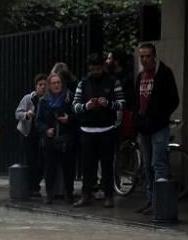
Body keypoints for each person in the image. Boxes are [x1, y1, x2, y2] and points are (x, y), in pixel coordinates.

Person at [133, 43, 180, 214]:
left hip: (158, 126)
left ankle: (160, 201)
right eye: (142, 56)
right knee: (147, 164)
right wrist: (138, 120)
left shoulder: (164, 74)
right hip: (144, 126)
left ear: (154, 56)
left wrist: (159, 117)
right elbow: (137, 100)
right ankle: (151, 198)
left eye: (147, 56)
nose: (144, 59)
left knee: (158, 163)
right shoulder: (141, 76)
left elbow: (173, 99)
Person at [73, 53, 125, 207]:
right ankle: (86, 194)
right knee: (87, 165)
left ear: (103, 66)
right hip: (87, 129)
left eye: (97, 68)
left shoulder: (113, 81)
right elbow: (75, 106)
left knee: (107, 164)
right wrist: (86, 106)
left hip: (106, 128)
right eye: (92, 69)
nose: (95, 72)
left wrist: (108, 104)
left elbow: (122, 103)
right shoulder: (83, 83)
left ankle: (109, 195)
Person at [37, 73, 78, 204]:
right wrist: (45, 130)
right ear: (49, 85)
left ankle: (69, 193)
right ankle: (49, 194)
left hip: (66, 138)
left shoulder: (69, 97)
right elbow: (38, 121)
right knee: (50, 168)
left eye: (58, 82)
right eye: (53, 83)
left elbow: (77, 116)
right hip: (50, 139)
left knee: (68, 168)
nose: (56, 85)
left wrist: (69, 119)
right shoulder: (43, 101)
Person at [15, 74, 48, 198]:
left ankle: (35, 186)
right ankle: (30, 187)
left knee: (41, 161)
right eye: (40, 85)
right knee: (29, 161)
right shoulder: (28, 98)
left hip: (41, 134)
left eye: (45, 85)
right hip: (27, 133)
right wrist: (27, 114)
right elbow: (17, 113)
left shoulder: (48, 99)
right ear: (36, 86)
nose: (43, 87)